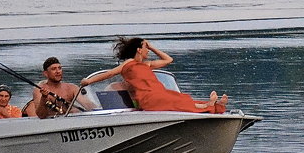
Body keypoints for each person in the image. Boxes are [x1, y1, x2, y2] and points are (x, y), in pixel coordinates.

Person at [81, 37, 226, 113]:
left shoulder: (147, 64)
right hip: (148, 98)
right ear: (139, 50)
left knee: (180, 97)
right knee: (173, 100)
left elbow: (169, 60)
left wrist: (151, 46)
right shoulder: (128, 63)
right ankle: (207, 106)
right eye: (146, 48)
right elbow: (109, 74)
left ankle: (212, 106)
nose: (148, 51)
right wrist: (89, 81)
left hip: (159, 93)